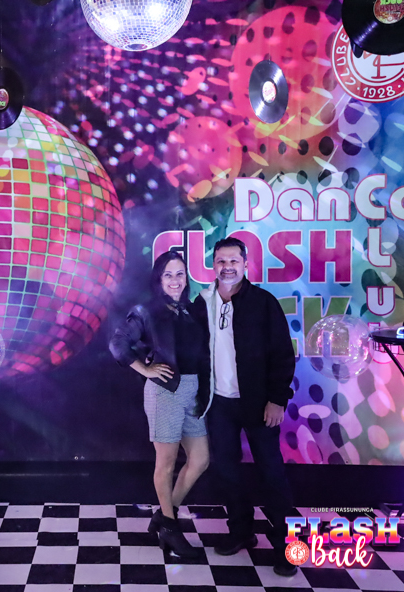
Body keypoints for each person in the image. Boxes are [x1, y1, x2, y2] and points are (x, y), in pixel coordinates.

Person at [193, 237, 297, 576]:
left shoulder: (263, 303)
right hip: (218, 404)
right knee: (227, 471)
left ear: (246, 264)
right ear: (213, 265)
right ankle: (241, 531)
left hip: (259, 403)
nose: (227, 267)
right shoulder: (203, 302)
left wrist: (277, 399)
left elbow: (283, 354)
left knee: (272, 474)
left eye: (233, 261)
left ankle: (286, 546)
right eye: (221, 261)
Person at [110, 250, 210, 558]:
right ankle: (170, 528)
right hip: (165, 391)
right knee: (165, 464)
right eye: (168, 274)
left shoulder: (191, 309)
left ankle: (166, 515)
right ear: (159, 279)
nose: (175, 280)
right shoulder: (147, 310)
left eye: (180, 274)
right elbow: (118, 343)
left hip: (193, 392)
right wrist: (146, 369)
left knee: (200, 459)